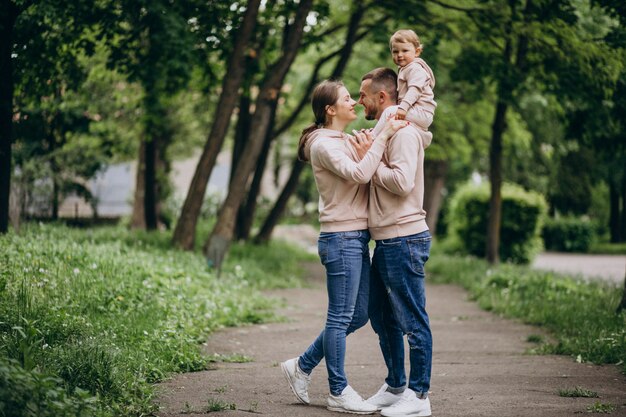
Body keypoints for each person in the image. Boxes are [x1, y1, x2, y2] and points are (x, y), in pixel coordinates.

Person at [281, 79, 408, 414]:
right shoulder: (324, 144)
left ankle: (302, 365)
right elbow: (359, 174)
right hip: (340, 238)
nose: (354, 102)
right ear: (330, 109)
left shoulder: (339, 139)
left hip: (355, 237)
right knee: (340, 317)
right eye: (347, 98)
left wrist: (370, 144)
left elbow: (364, 165)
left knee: (359, 314)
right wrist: (381, 138)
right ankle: (338, 390)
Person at [357, 67, 434, 417]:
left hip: (404, 238)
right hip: (386, 240)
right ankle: (395, 385)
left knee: (412, 321)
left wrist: (370, 161)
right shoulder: (385, 131)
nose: (361, 102)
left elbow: (402, 183)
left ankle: (419, 396)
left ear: (383, 97)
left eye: (364, 96)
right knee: (382, 317)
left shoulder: (402, 133)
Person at [389, 29, 436, 133]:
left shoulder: (415, 68)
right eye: (395, 51)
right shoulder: (406, 68)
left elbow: (415, 89)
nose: (399, 55)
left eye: (405, 51)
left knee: (389, 111)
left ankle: (374, 136)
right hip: (417, 112)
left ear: (417, 52)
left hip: (421, 112)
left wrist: (403, 107)